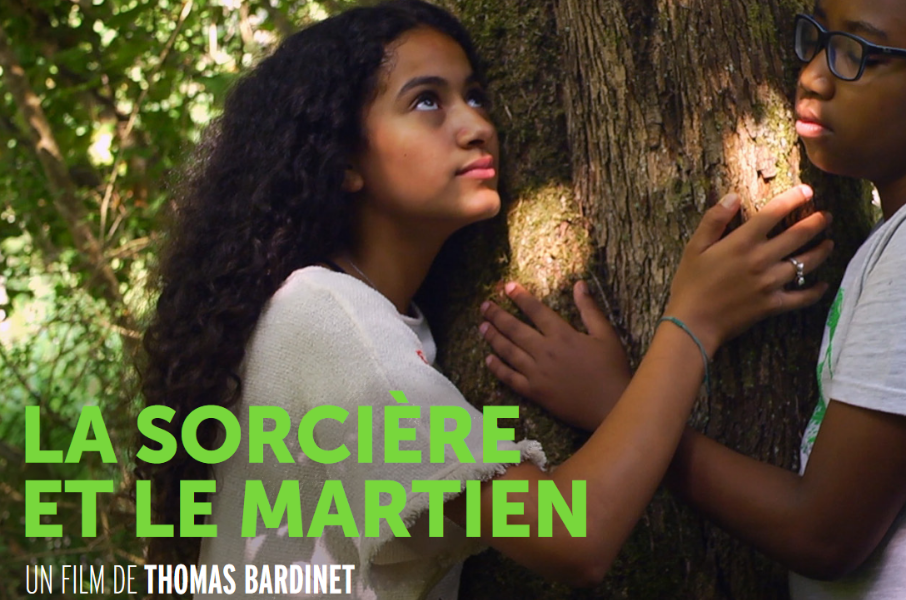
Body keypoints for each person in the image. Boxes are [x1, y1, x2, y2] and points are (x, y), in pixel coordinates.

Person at [137, 1, 834, 598]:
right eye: (426, 101)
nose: (476, 125)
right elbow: (572, 536)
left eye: (475, 97)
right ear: (343, 159)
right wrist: (694, 321)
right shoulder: (325, 316)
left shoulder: (357, 317)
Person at [479, 0, 906, 598]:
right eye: (817, 36)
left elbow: (822, 534)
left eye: (858, 52)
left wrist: (621, 407)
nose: (813, 76)